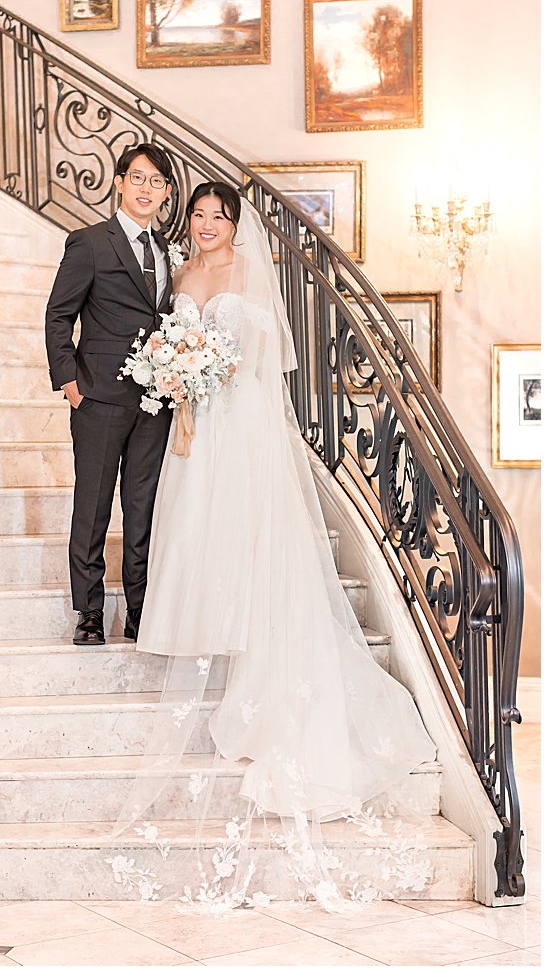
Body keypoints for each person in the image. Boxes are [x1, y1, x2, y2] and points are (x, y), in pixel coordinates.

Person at [114, 182, 437, 909]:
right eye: (196, 215)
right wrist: (179, 375)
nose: (204, 226)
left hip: (241, 419)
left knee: (243, 527)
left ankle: (250, 629)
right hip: (196, 422)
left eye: (217, 217)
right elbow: (178, 340)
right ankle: (200, 618)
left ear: (235, 225)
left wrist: (206, 370)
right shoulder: (182, 275)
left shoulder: (250, 272)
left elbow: (260, 355)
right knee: (195, 524)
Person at [45, 143, 175, 647]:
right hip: (98, 396)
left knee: (142, 507)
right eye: (138, 178)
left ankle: (139, 610)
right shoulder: (90, 242)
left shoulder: (166, 251)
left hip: (156, 400)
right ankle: (90, 612)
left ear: (165, 193)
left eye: (157, 182)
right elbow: (60, 313)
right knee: (93, 504)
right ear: (119, 182)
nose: (147, 189)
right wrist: (69, 381)